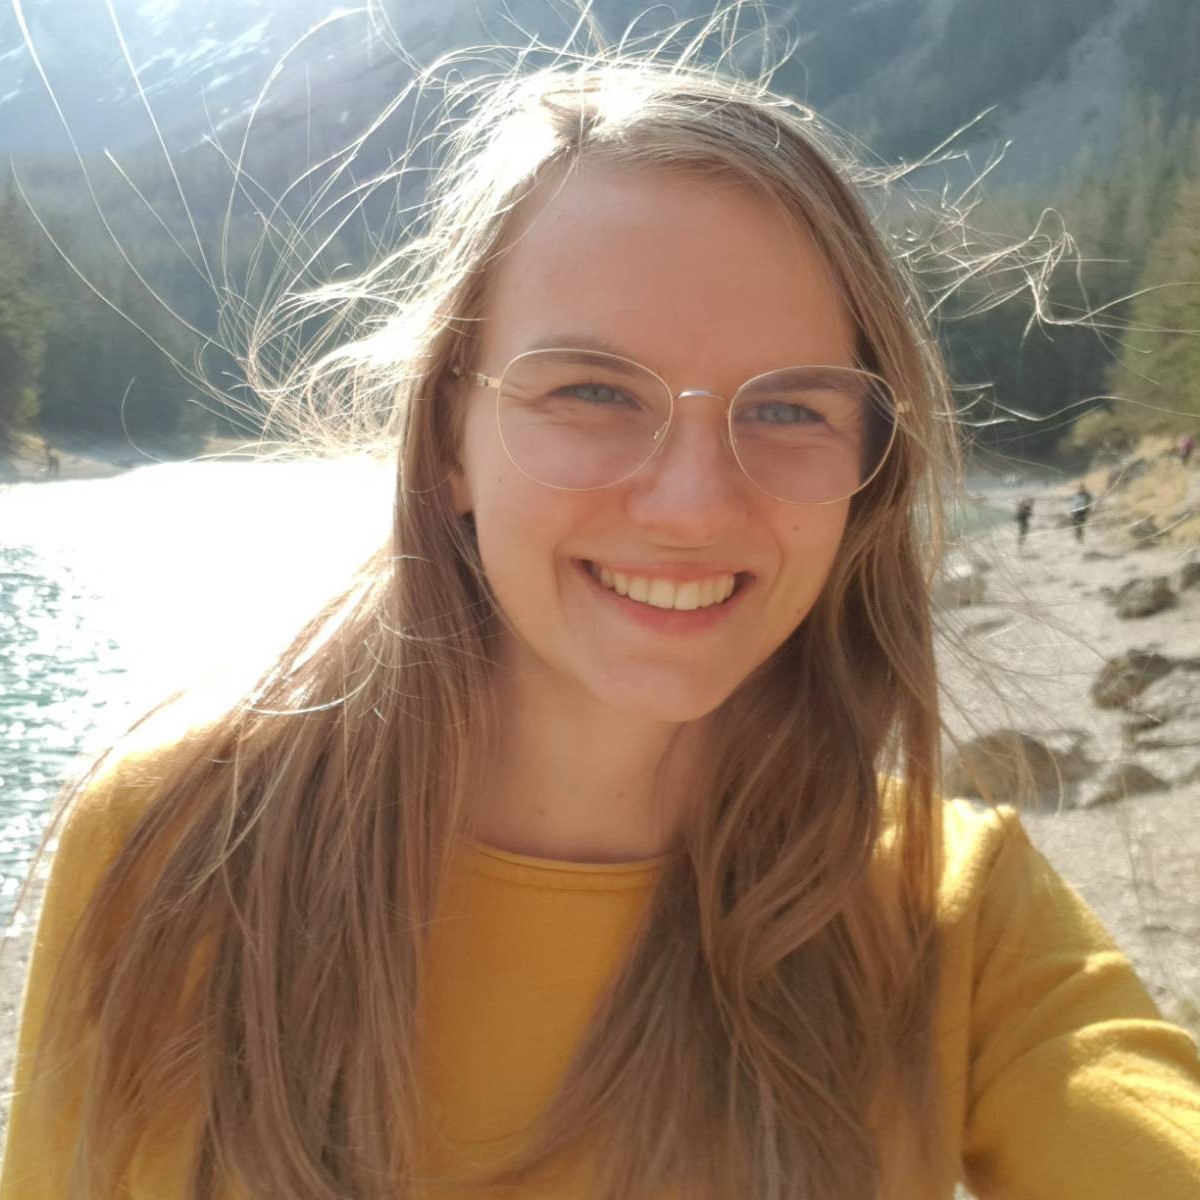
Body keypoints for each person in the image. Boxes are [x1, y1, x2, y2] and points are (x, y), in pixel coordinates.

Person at [4, 45, 1200, 1200]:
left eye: (790, 409)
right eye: (591, 391)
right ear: (448, 438)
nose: (693, 505)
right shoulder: (181, 842)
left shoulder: (951, 918)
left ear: (867, 468)